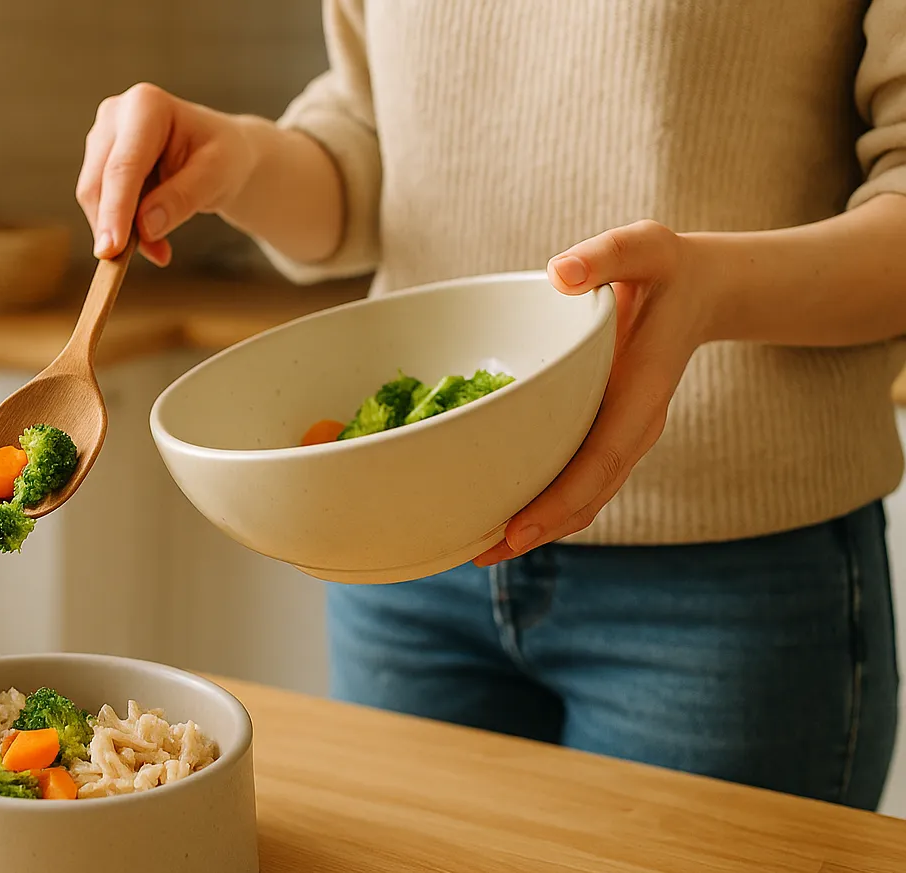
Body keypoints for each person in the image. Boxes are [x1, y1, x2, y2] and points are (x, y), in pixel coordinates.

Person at [76, 2, 906, 809]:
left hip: (729, 577)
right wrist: (247, 160)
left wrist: (712, 290)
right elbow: (370, 149)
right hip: (404, 564)